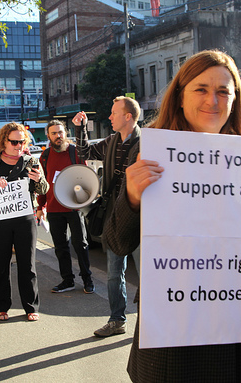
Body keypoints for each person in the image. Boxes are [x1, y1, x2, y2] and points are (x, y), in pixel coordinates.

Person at [104, 50, 241, 382]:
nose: (213, 100)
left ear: (235, 99)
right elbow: (117, 243)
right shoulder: (150, 154)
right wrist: (132, 197)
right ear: (180, 96)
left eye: (223, 91)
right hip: (174, 343)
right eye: (201, 89)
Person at [72, 96, 141, 337]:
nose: (110, 117)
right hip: (114, 218)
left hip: (141, 220)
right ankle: (117, 320)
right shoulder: (111, 141)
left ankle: (150, 325)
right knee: (114, 274)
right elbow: (84, 151)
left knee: (148, 276)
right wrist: (80, 128)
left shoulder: (147, 143)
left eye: (114, 113)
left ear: (128, 116)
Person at [0, 122, 48, 322]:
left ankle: (31, 306)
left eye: (22, 142)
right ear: (4, 141)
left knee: (28, 265)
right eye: (14, 142)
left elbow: (44, 190)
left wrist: (39, 179)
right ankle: (1, 307)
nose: (18, 146)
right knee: (1, 264)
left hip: (25, 219)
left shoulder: (31, 161)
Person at [36, 120, 94, 294]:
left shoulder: (75, 152)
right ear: (48, 136)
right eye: (54, 133)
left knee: (80, 244)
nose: (58, 136)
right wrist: (40, 206)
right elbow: (42, 183)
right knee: (60, 247)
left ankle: (87, 279)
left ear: (66, 133)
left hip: (74, 208)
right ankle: (67, 280)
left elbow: (86, 177)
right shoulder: (45, 156)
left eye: (60, 132)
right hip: (54, 209)